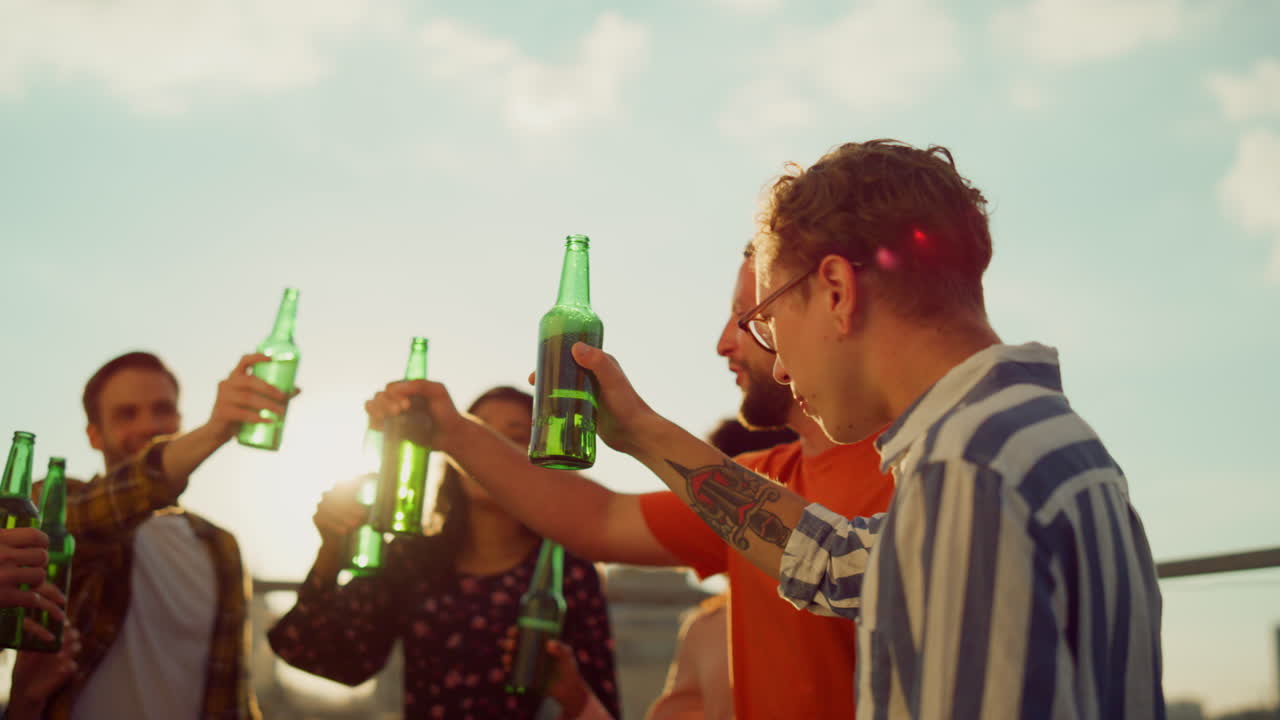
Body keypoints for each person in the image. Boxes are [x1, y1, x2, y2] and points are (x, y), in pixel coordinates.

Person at [535, 139, 1163, 718]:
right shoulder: (1044, 444)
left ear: (835, 290)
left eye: (768, 322)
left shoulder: (965, 469)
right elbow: (833, 561)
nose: (779, 366)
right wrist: (639, 431)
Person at [365, 252, 896, 719]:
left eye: (752, 318)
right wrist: (453, 433)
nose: (722, 344)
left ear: (835, 297)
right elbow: (600, 519)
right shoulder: (758, 480)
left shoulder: (915, 471)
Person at [268, 386, 619, 720]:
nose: (489, 452)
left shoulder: (567, 571)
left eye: (513, 438)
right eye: (478, 435)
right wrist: (332, 549)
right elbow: (326, 656)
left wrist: (571, 691)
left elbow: (602, 705)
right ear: (453, 456)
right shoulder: (413, 559)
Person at [29, 350, 288, 719]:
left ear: (180, 418)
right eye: (126, 414)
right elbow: (99, 510)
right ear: (94, 436)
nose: (149, 425)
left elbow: (233, 695)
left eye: (163, 409)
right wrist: (215, 431)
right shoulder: (58, 504)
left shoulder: (220, 546)